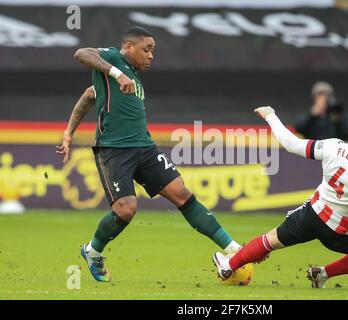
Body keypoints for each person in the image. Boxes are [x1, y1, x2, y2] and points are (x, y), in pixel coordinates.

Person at [56, 26, 241, 282]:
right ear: (129, 47)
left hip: (144, 148)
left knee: (182, 194)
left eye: (153, 50)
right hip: (114, 151)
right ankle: (92, 251)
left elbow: (90, 95)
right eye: (147, 49)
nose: (151, 55)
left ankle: (234, 249)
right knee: (126, 210)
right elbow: (80, 53)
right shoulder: (112, 59)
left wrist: (69, 131)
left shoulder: (133, 76)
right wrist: (116, 73)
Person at [213, 106, 348, 289]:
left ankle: (229, 266)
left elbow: (292, 144)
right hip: (340, 232)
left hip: (312, 214)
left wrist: (271, 116)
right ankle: (322, 274)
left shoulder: (333, 146)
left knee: (271, 240)